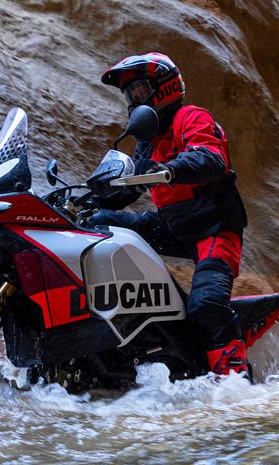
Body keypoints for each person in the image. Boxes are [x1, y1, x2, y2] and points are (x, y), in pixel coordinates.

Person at [89, 52, 250, 376]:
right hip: (172, 226)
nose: (134, 99)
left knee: (206, 305)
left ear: (164, 88)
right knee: (95, 224)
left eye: (140, 90)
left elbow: (210, 158)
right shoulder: (147, 144)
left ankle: (235, 379)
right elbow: (126, 190)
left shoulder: (191, 117)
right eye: (129, 94)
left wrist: (170, 170)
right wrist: (88, 199)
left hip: (214, 229)